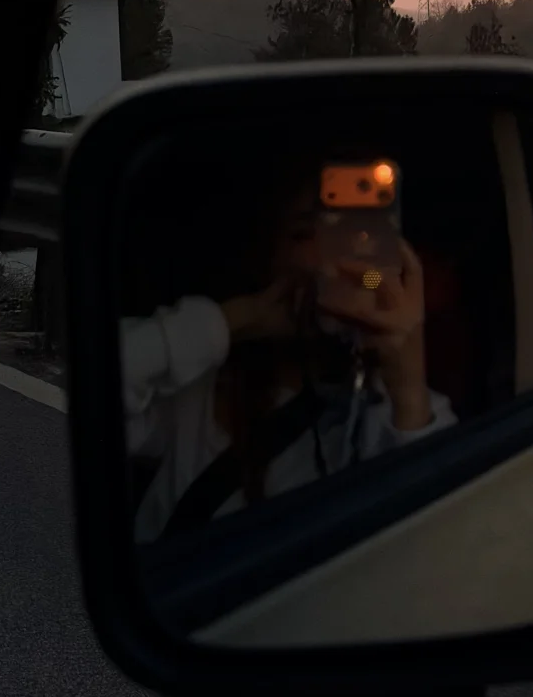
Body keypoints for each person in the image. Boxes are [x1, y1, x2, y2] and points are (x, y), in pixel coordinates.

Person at [121, 169, 456, 544]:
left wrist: (407, 382)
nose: (332, 257)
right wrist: (234, 320)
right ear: (270, 256)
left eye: (361, 234)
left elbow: (437, 545)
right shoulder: (202, 388)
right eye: (305, 233)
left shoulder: (402, 412)